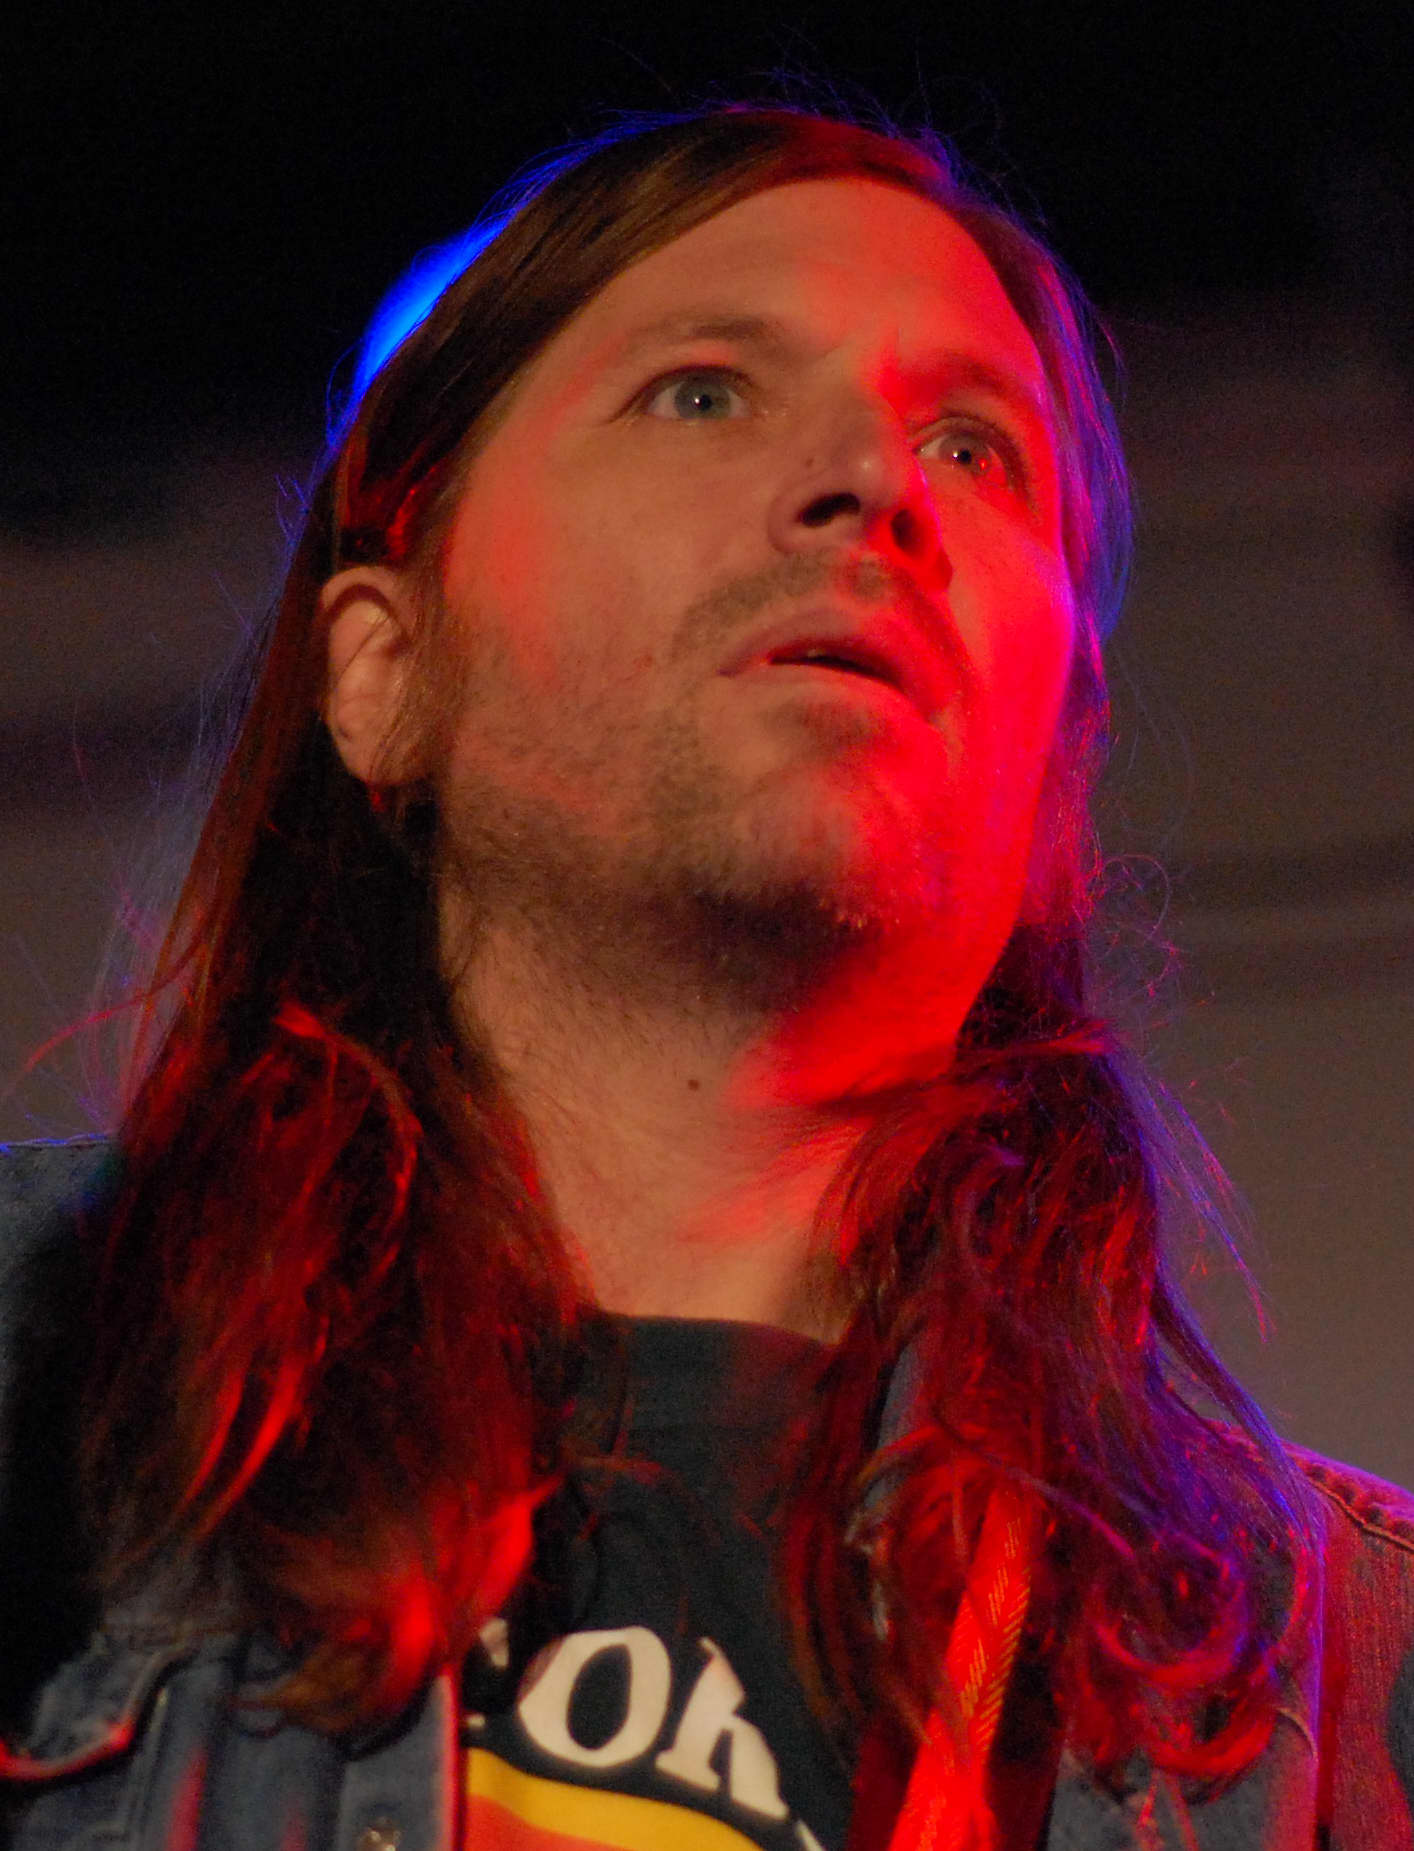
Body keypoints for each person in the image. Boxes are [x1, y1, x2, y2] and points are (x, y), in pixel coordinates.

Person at [2, 104, 1412, 1851]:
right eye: (702, 392)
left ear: (1056, 767)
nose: (876, 486)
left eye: (976, 449)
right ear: (383, 667)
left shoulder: (1350, 1689)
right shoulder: (31, 1387)